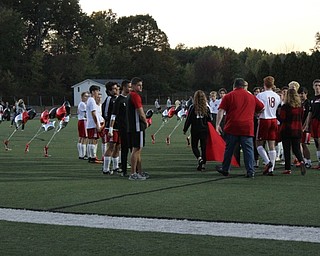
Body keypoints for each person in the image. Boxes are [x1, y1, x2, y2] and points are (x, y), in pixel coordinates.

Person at [216, 78, 264, 178]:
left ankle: (225, 169)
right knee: (248, 150)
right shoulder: (251, 96)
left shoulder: (229, 96)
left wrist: (217, 124)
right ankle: (250, 171)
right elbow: (262, 107)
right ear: (244, 86)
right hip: (247, 126)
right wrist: (254, 113)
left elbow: (221, 110)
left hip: (232, 126)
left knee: (229, 149)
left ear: (234, 86)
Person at [256, 76, 281, 176]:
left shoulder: (260, 95)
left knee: (258, 143)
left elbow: (259, 108)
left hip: (264, 119)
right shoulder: (277, 96)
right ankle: (271, 169)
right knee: (271, 144)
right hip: (273, 119)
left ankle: (268, 162)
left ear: (264, 84)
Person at [278, 88, 306, 175]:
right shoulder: (300, 107)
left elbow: (282, 118)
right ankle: (301, 160)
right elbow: (302, 117)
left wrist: (277, 114)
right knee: (296, 148)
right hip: (297, 130)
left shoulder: (285, 107)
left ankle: (288, 168)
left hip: (286, 130)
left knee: (287, 149)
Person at [127, 77, 149, 180]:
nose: (141, 87)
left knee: (138, 149)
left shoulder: (129, 95)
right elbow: (140, 112)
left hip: (132, 126)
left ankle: (139, 171)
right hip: (137, 126)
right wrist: (146, 121)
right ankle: (133, 173)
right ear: (134, 85)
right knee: (136, 149)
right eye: (139, 85)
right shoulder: (135, 96)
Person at [183, 90, 211, 171]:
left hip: (195, 130)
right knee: (203, 147)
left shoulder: (192, 107)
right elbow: (209, 120)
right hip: (204, 130)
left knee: (194, 146)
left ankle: (199, 159)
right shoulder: (206, 108)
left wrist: (185, 129)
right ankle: (203, 164)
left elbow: (188, 120)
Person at [110, 80, 132, 177]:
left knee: (133, 148)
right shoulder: (119, 100)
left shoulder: (130, 98)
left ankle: (134, 169)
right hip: (123, 128)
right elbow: (113, 115)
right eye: (129, 87)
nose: (130, 89)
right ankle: (123, 170)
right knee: (124, 149)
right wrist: (111, 128)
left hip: (132, 127)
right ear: (124, 87)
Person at [102, 82, 120, 174]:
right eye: (114, 89)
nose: (116, 90)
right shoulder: (109, 99)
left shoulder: (118, 99)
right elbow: (105, 113)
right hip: (111, 127)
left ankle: (116, 166)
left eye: (117, 88)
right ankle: (106, 169)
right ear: (109, 90)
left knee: (118, 146)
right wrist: (110, 127)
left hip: (119, 126)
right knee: (111, 146)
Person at [304, 79, 320, 169]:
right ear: (313, 87)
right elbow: (310, 112)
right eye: (316, 85)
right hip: (314, 122)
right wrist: (307, 124)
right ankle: (319, 162)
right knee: (317, 142)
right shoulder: (312, 100)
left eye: (319, 85)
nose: (317, 87)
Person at [86, 85, 104, 164]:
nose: (98, 93)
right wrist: (97, 124)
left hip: (89, 123)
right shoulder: (92, 100)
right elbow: (94, 113)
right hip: (93, 124)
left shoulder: (89, 100)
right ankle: (93, 157)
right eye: (97, 91)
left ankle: (90, 156)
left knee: (91, 140)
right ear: (93, 92)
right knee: (94, 140)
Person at [298, 86, 312, 168]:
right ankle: (303, 160)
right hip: (300, 126)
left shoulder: (308, 103)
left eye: (302, 93)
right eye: (299, 94)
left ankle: (308, 161)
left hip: (306, 127)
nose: (301, 95)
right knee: (300, 144)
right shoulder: (300, 103)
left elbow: (308, 115)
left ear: (306, 94)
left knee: (304, 144)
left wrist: (305, 126)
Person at [77, 92, 89, 160]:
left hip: (81, 121)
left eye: (87, 96)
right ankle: (82, 154)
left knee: (81, 137)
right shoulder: (82, 104)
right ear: (82, 97)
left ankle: (81, 154)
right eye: (85, 96)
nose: (86, 98)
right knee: (84, 137)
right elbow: (86, 113)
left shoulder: (82, 104)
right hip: (83, 121)